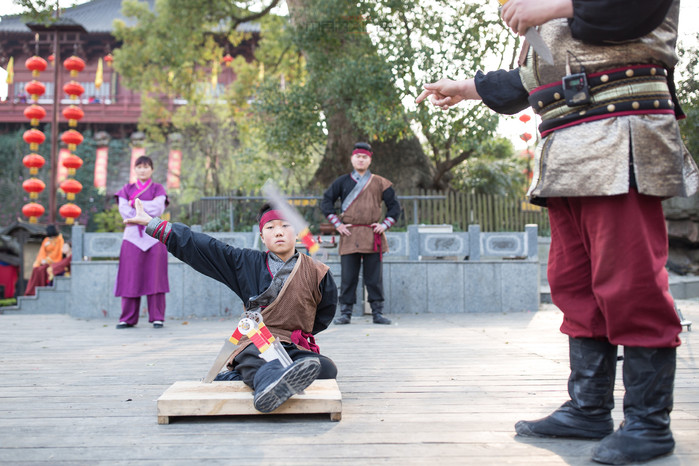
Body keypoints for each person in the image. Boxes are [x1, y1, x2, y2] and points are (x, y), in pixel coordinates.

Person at [416, 0, 698, 464]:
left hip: (622, 128)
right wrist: (465, 89)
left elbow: (630, 11)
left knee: (630, 283)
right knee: (574, 284)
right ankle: (588, 409)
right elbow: (531, 80)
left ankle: (649, 423)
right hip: (567, 145)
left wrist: (551, 6)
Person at [124, 199, 338, 413]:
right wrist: (154, 224)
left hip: (293, 345)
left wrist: (294, 333)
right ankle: (268, 386)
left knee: (326, 367)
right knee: (258, 358)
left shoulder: (318, 272)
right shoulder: (245, 262)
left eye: (285, 226)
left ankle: (249, 376)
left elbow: (323, 314)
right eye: (270, 228)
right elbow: (206, 247)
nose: (278, 232)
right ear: (262, 237)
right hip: (257, 341)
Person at [321, 142, 400, 325]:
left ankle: (377, 312)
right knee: (348, 277)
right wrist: (338, 225)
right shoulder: (341, 181)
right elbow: (326, 202)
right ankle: (346, 313)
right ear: (352, 158)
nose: (361, 159)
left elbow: (395, 207)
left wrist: (385, 225)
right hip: (350, 235)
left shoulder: (381, 182)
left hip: (372, 235)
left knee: (374, 277)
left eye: (365, 157)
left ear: (369, 159)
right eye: (358, 156)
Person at [114, 155, 169, 329]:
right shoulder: (126, 188)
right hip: (132, 238)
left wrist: (134, 204)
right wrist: (143, 208)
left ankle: (157, 317)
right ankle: (127, 318)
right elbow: (124, 211)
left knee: (156, 277)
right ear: (135, 170)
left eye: (146, 166)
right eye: (139, 167)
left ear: (152, 169)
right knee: (130, 277)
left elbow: (158, 208)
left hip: (154, 235)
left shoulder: (158, 188)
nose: (143, 170)